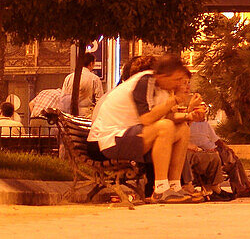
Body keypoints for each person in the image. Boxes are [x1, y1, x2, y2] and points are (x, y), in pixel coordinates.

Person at [87, 54, 198, 203]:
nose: (179, 84)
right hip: (110, 138)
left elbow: (166, 118)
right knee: (164, 127)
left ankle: (174, 186)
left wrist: (189, 116)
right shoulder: (146, 81)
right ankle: (160, 189)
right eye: (177, 79)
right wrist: (174, 100)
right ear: (164, 76)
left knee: (183, 129)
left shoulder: (162, 89)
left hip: (130, 135)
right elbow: (146, 119)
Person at [186, 103, 234, 201]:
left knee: (227, 158)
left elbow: (215, 139)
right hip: (189, 151)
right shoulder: (187, 123)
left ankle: (215, 189)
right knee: (213, 157)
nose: (203, 115)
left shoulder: (204, 124)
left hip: (205, 149)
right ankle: (214, 190)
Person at [59, 53, 104, 117]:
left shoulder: (69, 77)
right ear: (91, 63)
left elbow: (63, 98)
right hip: (87, 115)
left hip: (70, 114)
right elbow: (99, 100)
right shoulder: (95, 79)